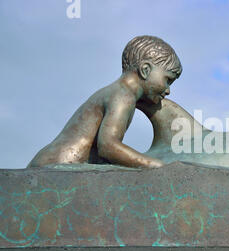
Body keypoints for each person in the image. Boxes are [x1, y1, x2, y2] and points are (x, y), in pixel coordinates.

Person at [28, 35, 182, 168]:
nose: (168, 90)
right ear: (146, 70)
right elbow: (108, 147)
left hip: (55, 163)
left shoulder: (118, 92)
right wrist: (155, 165)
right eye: (167, 80)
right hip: (59, 166)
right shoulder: (124, 96)